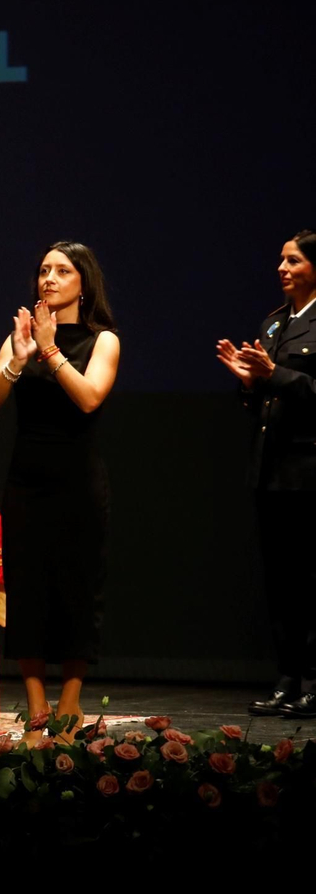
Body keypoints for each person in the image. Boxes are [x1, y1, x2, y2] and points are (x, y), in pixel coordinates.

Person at [0, 241, 120, 743]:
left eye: (62, 270)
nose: (49, 279)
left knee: (78, 591)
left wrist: (51, 349)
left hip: (78, 483)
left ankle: (70, 705)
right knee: (27, 592)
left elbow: (88, 399)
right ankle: (38, 706)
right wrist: (19, 357)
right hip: (26, 481)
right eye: (43, 270)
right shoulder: (20, 336)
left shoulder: (103, 340)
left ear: (84, 281)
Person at [217, 229, 316, 719]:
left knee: (312, 582)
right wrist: (250, 383)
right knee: (281, 583)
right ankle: (288, 679)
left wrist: (274, 375)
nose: (282, 267)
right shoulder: (275, 324)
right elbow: (265, 399)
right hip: (271, 470)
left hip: (309, 471)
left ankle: (314, 683)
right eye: (281, 259)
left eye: (293, 260)